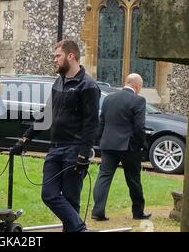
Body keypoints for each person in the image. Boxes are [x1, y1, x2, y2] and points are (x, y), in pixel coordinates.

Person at [12, 40, 101, 232]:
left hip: (74, 149)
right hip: (55, 148)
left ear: (71, 56)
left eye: (57, 56)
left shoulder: (88, 86)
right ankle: (80, 228)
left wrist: (84, 154)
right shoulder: (59, 82)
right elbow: (47, 113)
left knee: (71, 199)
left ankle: (76, 229)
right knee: (49, 194)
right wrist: (26, 138)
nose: (55, 60)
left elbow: (91, 123)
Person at [92, 73, 151, 221]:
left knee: (104, 177)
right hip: (128, 147)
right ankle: (138, 212)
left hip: (108, 144)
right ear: (137, 86)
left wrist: (101, 141)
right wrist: (141, 145)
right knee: (133, 179)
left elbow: (102, 122)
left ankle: (97, 211)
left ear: (126, 82)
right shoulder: (138, 100)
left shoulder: (108, 99)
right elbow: (139, 127)